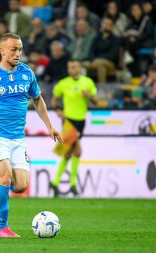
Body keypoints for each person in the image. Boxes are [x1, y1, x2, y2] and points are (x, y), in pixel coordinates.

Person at [0, 33, 63, 238]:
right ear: (2, 50)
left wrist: (50, 126)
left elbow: (38, 100)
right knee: (5, 178)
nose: (17, 53)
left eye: (20, 49)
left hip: (18, 138)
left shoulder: (27, 73)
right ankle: (2, 228)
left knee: (20, 186)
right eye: (13, 49)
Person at [49, 60, 98, 197]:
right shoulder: (63, 83)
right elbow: (54, 99)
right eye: (70, 67)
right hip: (69, 121)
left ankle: (55, 182)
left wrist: (88, 96)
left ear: (80, 68)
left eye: (74, 67)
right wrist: (58, 110)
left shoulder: (87, 82)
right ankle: (72, 184)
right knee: (77, 151)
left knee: (69, 152)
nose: (72, 69)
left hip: (81, 121)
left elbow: (96, 101)